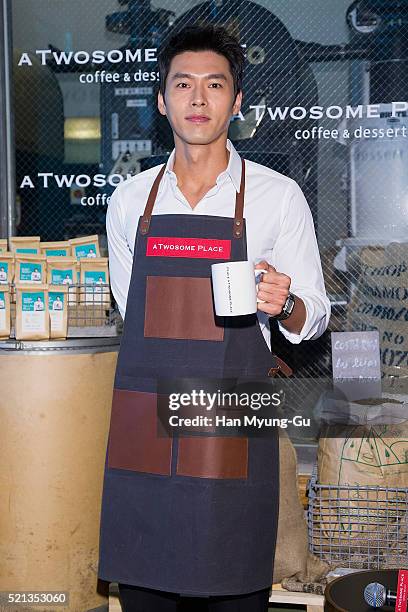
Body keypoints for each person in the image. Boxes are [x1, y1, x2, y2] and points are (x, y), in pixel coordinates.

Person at [98, 24, 331, 612]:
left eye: (214, 84)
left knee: (232, 582)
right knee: (147, 587)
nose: (198, 99)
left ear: (237, 100)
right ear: (161, 101)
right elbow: (134, 307)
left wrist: (287, 304)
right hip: (148, 414)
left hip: (234, 414)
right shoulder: (130, 201)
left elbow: (315, 314)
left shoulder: (278, 197)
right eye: (183, 85)